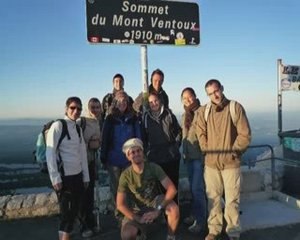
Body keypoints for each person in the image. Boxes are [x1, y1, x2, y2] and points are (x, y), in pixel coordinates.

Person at [195, 79, 251, 240]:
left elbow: (245, 134)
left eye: (216, 91)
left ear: (222, 89)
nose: (215, 95)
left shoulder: (235, 108)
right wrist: (207, 151)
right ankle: (214, 230)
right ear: (208, 95)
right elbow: (200, 133)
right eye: (211, 93)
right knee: (213, 199)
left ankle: (233, 232)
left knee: (232, 200)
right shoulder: (204, 111)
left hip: (230, 164)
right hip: (211, 164)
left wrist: (233, 153)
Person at [117, 138, 180, 240]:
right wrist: (138, 219)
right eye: (132, 152)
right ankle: (141, 233)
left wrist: (157, 211)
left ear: (143, 152)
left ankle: (171, 236)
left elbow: (172, 189)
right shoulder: (125, 175)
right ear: (128, 157)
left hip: (154, 203)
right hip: (136, 209)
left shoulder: (153, 167)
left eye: (139, 151)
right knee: (127, 235)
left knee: (173, 209)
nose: (136, 154)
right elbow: (120, 205)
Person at [46, 96, 90, 240]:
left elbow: (82, 154)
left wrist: (86, 177)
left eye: (79, 108)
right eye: (72, 107)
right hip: (64, 178)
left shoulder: (77, 128)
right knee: (67, 214)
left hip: (77, 176)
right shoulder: (58, 126)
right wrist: (55, 178)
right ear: (66, 109)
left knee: (74, 210)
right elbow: (50, 151)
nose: (76, 110)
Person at [100, 91, 142, 218]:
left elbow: (138, 136)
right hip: (113, 159)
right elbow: (105, 138)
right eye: (119, 101)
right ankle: (119, 213)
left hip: (130, 159)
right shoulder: (110, 119)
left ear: (128, 103)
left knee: (131, 187)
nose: (122, 103)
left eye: (124, 101)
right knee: (117, 188)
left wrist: (140, 154)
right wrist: (103, 156)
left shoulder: (133, 117)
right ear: (115, 103)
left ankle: (129, 214)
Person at [142, 92, 182, 202]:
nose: (154, 104)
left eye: (155, 101)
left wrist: (175, 146)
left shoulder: (169, 114)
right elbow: (144, 137)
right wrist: (147, 152)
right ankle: (162, 214)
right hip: (155, 158)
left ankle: (174, 214)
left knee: (173, 186)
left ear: (160, 101)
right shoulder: (146, 118)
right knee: (159, 189)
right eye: (151, 102)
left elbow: (178, 132)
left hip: (171, 157)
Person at [181, 87, 207, 234]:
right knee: (193, 188)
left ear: (195, 96)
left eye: (189, 97)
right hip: (189, 158)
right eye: (184, 98)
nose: (188, 100)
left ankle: (200, 221)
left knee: (197, 189)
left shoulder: (202, 112)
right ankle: (194, 214)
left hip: (199, 157)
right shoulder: (185, 115)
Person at [78, 98, 102, 238]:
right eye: (92, 107)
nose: (95, 109)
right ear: (88, 108)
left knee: (89, 195)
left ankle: (90, 222)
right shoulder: (82, 122)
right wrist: (91, 144)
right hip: (81, 164)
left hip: (91, 162)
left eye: (97, 107)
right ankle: (83, 225)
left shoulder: (97, 122)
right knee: (82, 195)